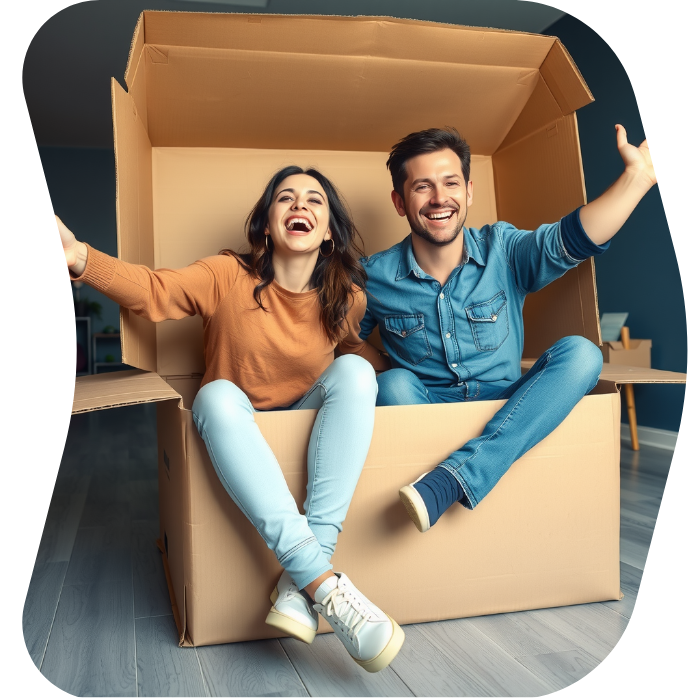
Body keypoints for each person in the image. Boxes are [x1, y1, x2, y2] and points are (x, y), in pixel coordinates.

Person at [57, 165, 403, 673]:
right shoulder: (226, 275)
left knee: (353, 370)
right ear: (267, 223)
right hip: (235, 429)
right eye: (285, 198)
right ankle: (326, 588)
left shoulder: (345, 299)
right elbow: (156, 291)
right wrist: (80, 257)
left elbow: (357, 360)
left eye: (314, 200)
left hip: (307, 427)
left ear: (329, 231)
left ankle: (303, 584)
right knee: (214, 395)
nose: (299, 206)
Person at [351, 124, 656, 533]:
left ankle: (453, 479)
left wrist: (636, 181)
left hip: (509, 406)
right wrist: (384, 360)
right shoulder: (374, 277)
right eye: (423, 187)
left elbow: (573, 239)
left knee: (583, 353)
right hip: (426, 411)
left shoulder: (504, 249)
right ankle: (449, 480)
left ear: (469, 192)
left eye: (451, 183)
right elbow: (342, 342)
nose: (440, 198)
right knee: (392, 385)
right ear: (399, 202)